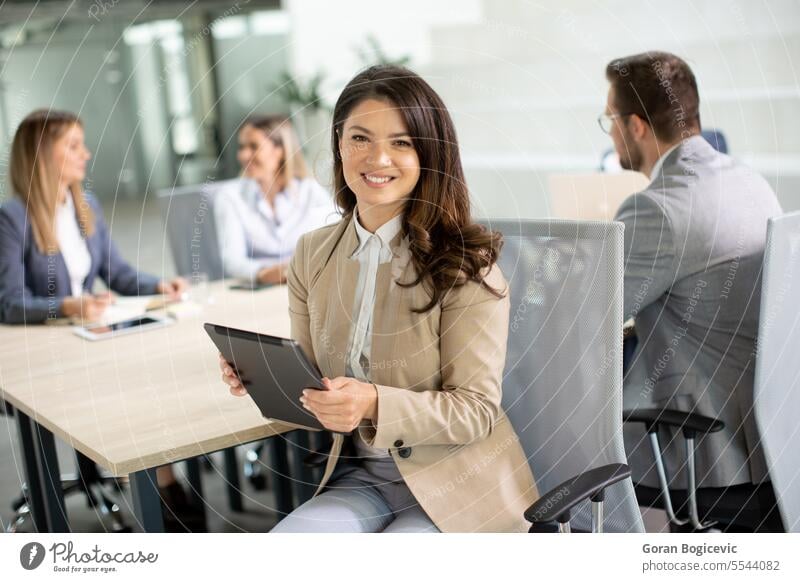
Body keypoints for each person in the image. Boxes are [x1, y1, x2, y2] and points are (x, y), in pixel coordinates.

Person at [219, 65, 538, 532]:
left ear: (429, 154)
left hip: (454, 485)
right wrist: (264, 379)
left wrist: (373, 402)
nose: (377, 158)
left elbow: (476, 411)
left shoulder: (467, 264)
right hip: (358, 479)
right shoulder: (312, 254)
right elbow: (315, 390)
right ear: (339, 146)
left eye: (401, 142)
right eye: (360, 138)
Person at [0, 109, 200, 531]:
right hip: (40, 354)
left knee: (150, 366)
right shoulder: (13, 218)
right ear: (41, 154)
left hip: (88, 337)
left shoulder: (83, 205)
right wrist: (68, 306)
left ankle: (159, 480)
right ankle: (157, 486)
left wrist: (159, 285)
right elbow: (10, 302)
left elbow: (118, 274)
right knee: (126, 379)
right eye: (72, 145)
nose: (85, 154)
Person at [600, 52, 783, 504]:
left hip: (708, 453)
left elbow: (589, 319)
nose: (611, 134)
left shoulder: (656, 209)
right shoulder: (750, 181)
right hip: (772, 439)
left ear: (636, 125)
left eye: (610, 121)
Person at [213, 115, 336, 285]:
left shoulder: (311, 192)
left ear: (280, 151)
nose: (243, 155)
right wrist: (263, 273)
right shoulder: (230, 197)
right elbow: (232, 260)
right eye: (241, 147)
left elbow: (335, 243)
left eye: (253, 146)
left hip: (309, 283)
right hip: (260, 288)